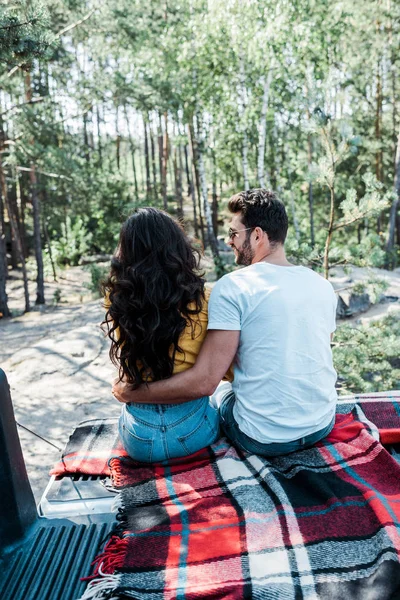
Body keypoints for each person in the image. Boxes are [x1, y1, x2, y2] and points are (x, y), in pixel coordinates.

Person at [113, 189, 338, 458]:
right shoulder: (322, 285)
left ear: (257, 235)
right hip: (322, 423)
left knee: (221, 396)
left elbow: (205, 382)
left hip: (263, 438)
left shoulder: (234, 286)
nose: (229, 241)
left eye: (233, 233)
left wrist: (130, 392)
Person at [103, 207, 231, 462]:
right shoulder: (206, 299)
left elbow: (127, 372)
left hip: (138, 439)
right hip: (193, 432)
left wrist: (128, 389)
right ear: (178, 248)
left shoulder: (116, 299)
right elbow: (225, 372)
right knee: (221, 399)